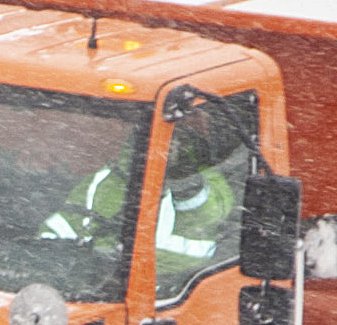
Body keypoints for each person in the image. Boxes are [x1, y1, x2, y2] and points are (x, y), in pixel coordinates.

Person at [40, 101, 250, 302]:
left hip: (181, 289)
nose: (168, 148)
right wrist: (65, 265)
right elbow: (60, 227)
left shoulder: (208, 179)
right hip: (107, 290)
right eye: (161, 139)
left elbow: (207, 214)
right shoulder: (106, 182)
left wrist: (182, 177)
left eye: (176, 141)